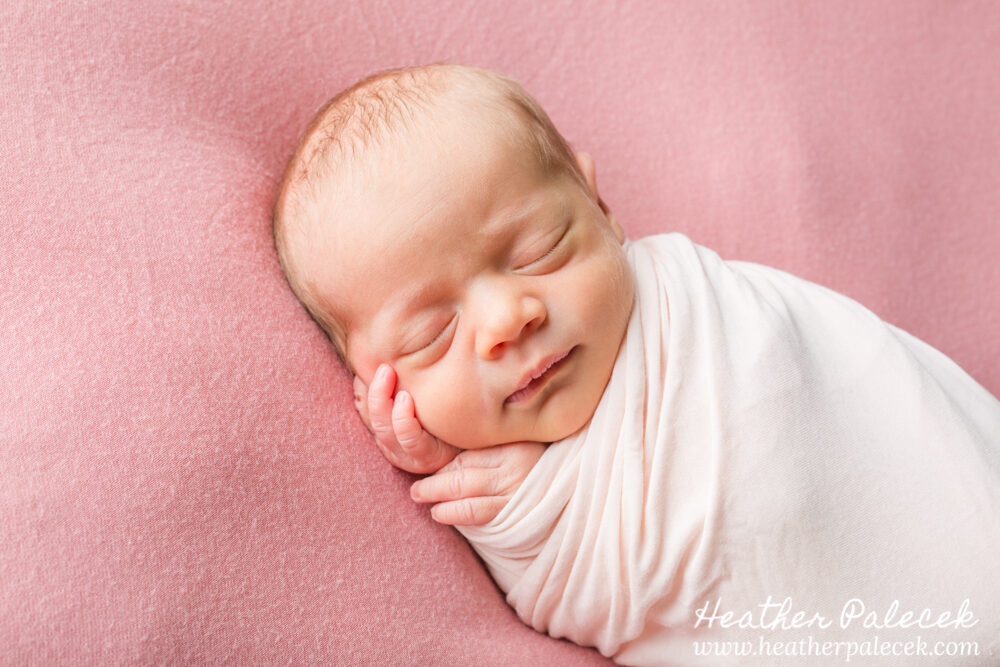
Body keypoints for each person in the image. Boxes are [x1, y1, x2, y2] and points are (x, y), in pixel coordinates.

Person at [273, 64, 1000, 665]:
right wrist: (486, 493)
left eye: (538, 251)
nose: (505, 319)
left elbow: (831, 393)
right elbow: (582, 582)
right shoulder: (505, 489)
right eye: (434, 334)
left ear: (600, 204)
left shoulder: (703, 313)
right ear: (378, 386)